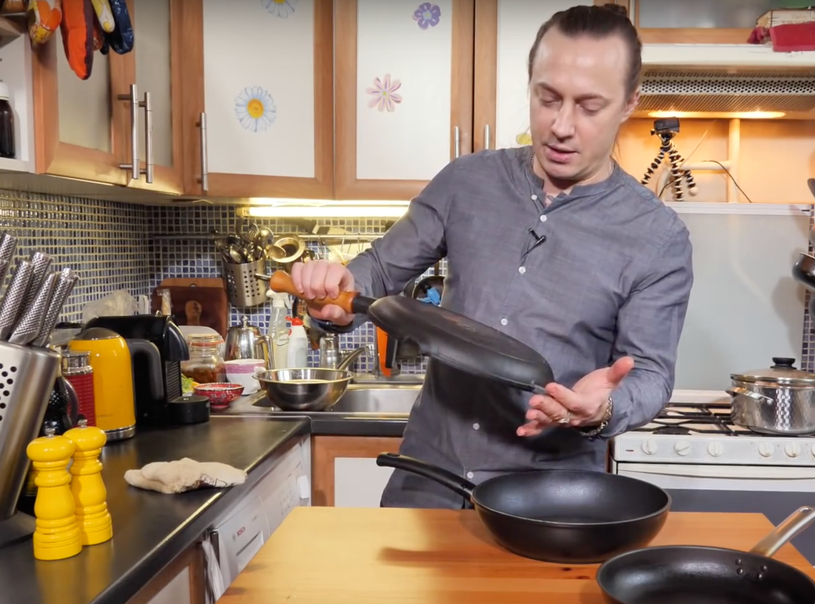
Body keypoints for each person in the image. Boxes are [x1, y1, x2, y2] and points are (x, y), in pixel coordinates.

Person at [292, 4, 694, 508]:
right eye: (548, 98)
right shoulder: (466, 181)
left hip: (547, 499)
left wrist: (605, 407)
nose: (561, 126)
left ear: (630, 102)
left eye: (589, 107)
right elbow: (374, 270)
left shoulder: (658, 237)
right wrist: (333, 291)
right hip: (428, 478)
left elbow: (651, 375)